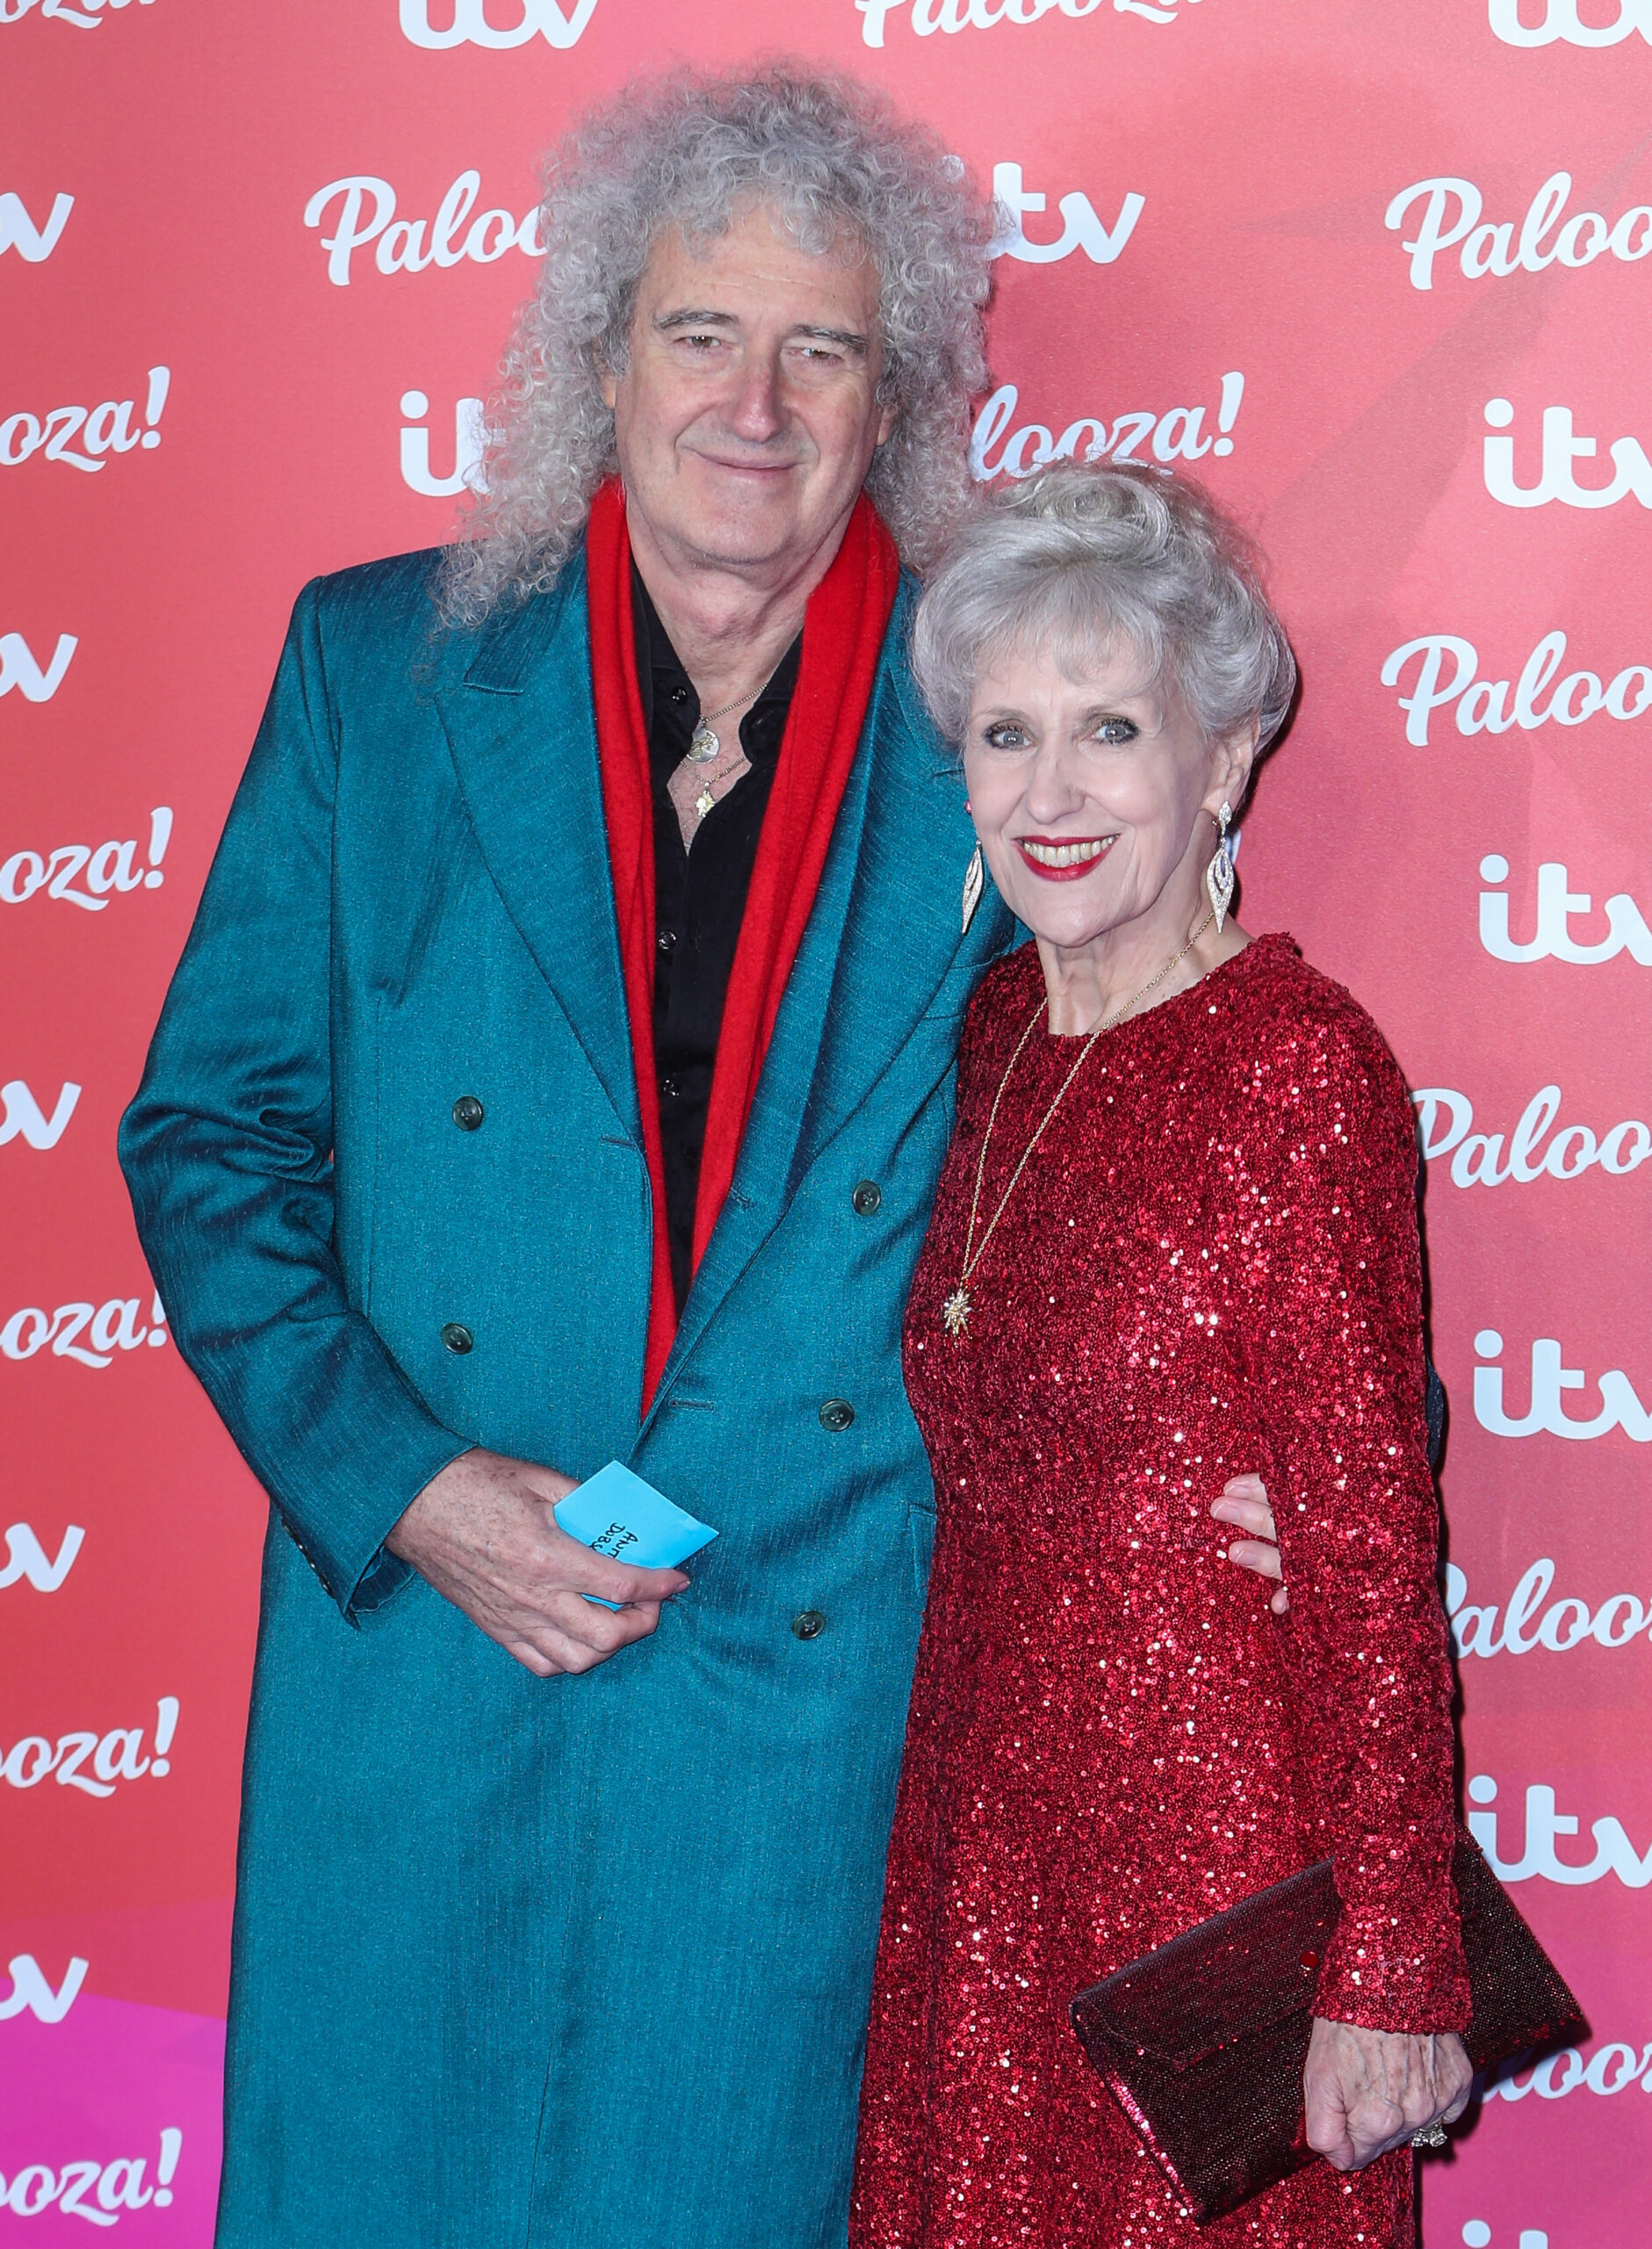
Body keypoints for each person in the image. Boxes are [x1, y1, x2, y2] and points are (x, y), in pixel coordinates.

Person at [119, 69, 1284, 2249]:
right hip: (426, 1647)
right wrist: (402, 1481)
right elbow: (208, 1132)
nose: (752, 402)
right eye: (698, 332)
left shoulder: (997, 714)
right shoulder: (380, 664)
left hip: (805, 1679)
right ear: (601, 359)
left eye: (821, 347)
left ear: (894, 397)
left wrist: (1304, 1457)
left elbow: (1173, 1121)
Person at [848, 464, 1472, 2249]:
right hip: (978, 1847)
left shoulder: (1292, 1064)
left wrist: (1391, 1958)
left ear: (1219, 761)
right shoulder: (990, 1036)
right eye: (1002, 733)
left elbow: (1358, 1546)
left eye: (1108, 728)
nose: (1046, 792)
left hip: (1217, 1869)